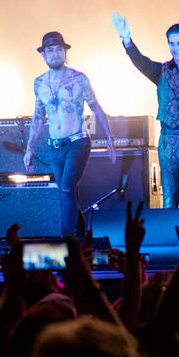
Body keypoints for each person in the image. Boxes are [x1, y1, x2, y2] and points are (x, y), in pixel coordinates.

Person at [112, 14, 179, 219]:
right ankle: (174, 245)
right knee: (169, 198)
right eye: (171, 43)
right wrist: (126, 38)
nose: (175, 48)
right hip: (169, 140)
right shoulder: (160, 71)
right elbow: (139, 61)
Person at [23, 31, 117, 237]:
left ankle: (67, 240)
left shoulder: (78, 78)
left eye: (58, 49)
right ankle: (83, 239)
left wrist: (109, 138)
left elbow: (96, 107)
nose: (55, 54)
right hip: (55, 146)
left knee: (66, 188)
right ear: (43, 55)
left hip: (78, 142)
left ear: (65, 52)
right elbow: (38, 117)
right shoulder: (39, 83)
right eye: (50, 50)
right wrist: (29, 149)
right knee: (68, 191)